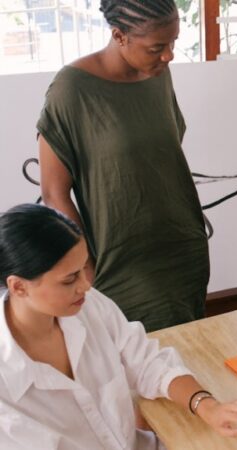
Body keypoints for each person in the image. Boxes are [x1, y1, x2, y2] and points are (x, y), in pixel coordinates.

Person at [0, 204, 237, 449]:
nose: (86, 285)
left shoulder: (88, 305)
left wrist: (206, 405)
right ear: (19, 286)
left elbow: (146, 362)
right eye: (69, 279)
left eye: (83, 268)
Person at [37, 0, 208, 331]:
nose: (169, 55)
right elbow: (53, 192)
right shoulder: (71, 90)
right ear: (119, 36)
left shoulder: (158, 73)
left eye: (173, 42)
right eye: (157, 47)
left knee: (188, 353)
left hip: (183, 246)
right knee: (133, 364)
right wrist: (84, 264)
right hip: (120, 260)